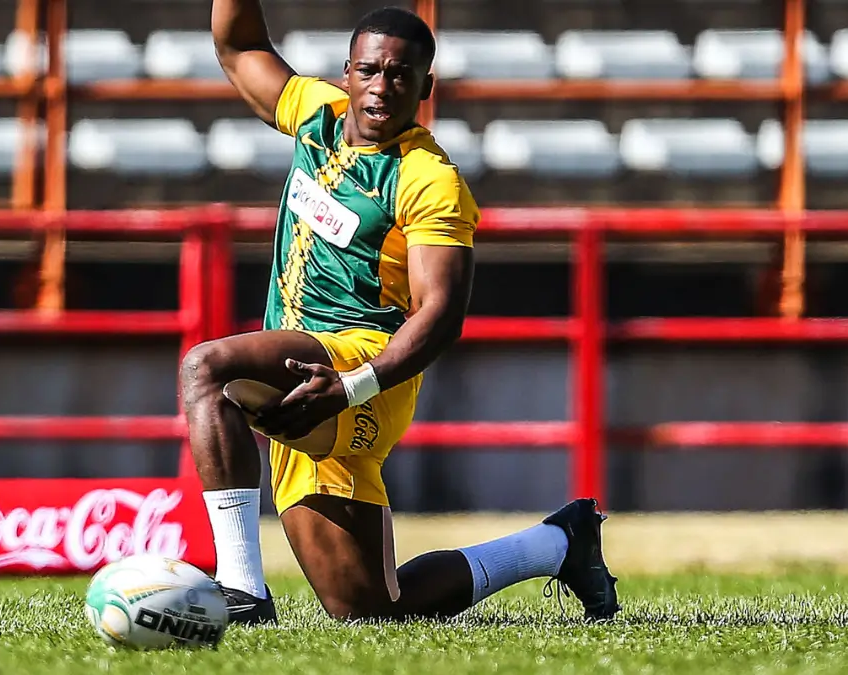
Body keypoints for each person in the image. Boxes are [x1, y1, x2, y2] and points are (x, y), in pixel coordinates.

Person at [179, 0, 620, 624]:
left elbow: (440, 314)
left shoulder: (428, 178)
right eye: (369, 70)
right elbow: (240, 47)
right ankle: (557, 544)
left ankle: (240, 590)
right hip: (304, 375)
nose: (381, 86)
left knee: (208, 369)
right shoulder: (317, 115)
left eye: (400, 74)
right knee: (367, 610)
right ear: (347, 74)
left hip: (362, 370)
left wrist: (351, 388)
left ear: (425, 86)